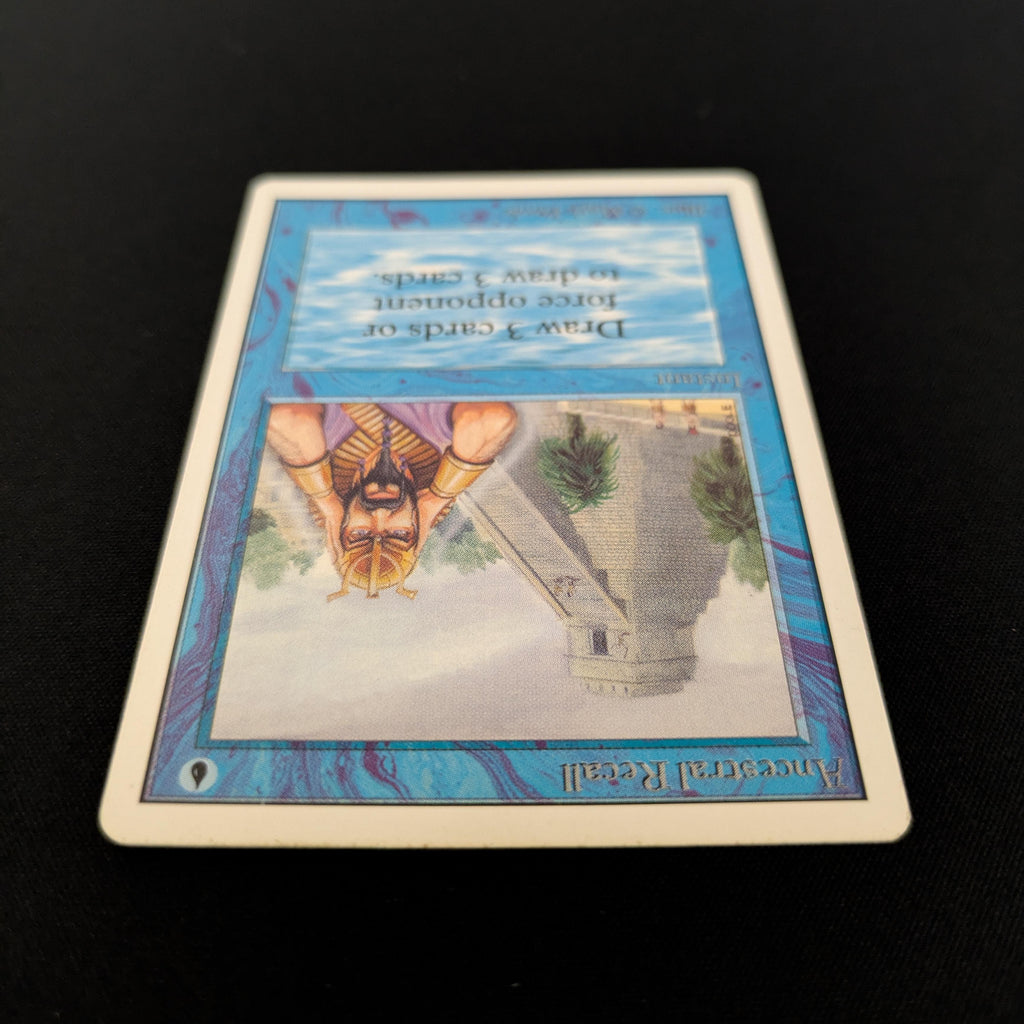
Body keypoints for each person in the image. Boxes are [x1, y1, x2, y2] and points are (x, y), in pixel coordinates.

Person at [266, 401, 517, 599]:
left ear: (341, 526)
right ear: (418, 530)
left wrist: (326, 501)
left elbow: (286, 418)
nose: (380, 515)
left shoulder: (327, 439)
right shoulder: (442, 442)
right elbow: (493, 418)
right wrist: (437, 499)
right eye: (399, 534)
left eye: (360, 534)